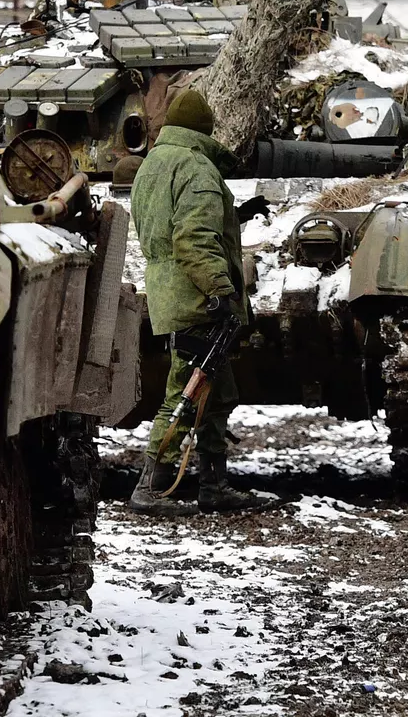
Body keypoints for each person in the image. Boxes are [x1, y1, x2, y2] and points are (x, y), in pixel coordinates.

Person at [125, 89, 276, 515]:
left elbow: (171, 223)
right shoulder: (197, 167)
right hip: (198, 298)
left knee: (217, 392)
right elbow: (192, 238)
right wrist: (220, 291)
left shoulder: (153, 163)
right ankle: (149, 487)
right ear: (205, 130)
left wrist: (235, 215)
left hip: (173, 292)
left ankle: (214, 486)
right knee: (187, 392)